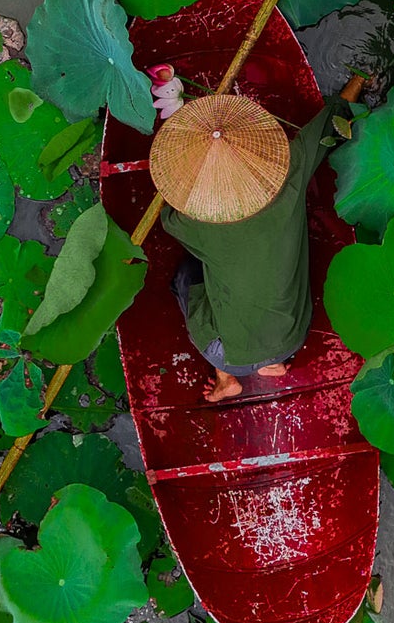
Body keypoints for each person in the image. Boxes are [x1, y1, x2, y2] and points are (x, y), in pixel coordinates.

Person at [152, 76, 364, 403]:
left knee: (186, 275)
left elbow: (168, 217)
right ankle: (273, 363)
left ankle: (226, 379)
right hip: (294, 335)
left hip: (230, 356)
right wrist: (361, 77)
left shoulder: (193, 223)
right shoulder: (288, 169)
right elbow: (332, 122)